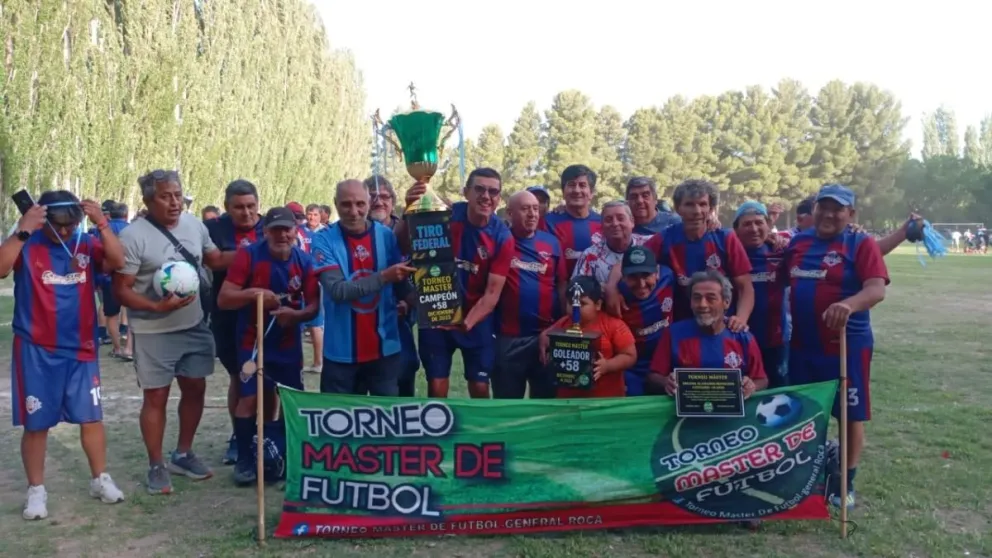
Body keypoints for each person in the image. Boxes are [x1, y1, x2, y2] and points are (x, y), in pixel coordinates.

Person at [2, 191, 127, 520]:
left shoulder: (86, 243)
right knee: (36, 423)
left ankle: (100, 479)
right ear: (43, 218)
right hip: (36, 349)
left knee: (91, 417)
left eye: (72, 224)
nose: (66, 230)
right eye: (59, 225)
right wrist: (23, 229)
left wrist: (102, 222)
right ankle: (36, 490)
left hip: (81, 347)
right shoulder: (27, 242)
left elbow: (118, 261)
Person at [114, 169, 224, 495]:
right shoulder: (133, 236)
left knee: (195, 387)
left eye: (178, 195)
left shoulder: (194, 225)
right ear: (149, 200)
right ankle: (156, 464)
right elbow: (121, 289)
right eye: (166, 196)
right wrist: (156, 307)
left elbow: (216, 260)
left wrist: (261, 250)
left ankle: (183, 454)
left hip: (194, 324)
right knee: (156, 396)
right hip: (153, 331)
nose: (175, 202)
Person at [783, 183, 888, 510]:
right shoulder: (798, 242)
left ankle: (845, 482)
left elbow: (876, 289)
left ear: (851, 213)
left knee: (849, 414)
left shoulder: (861, 243)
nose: (829, 214)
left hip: (846, 345)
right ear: (813, 209)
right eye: (823, 207)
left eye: (837, 209)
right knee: (804, 412)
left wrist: (849, 304)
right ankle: (806, 475)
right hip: (802, 345)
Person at [218, 207, 320, 485]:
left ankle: (285, 453)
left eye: (287, 229)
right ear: (265, 232)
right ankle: (245, 459)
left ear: (295, 231)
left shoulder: (305, 261)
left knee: (291, 399)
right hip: (252, 342)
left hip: (287, 344)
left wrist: (295, 315)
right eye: (276, 230)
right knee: (249, 398)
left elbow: (313, 306)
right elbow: (224, 298)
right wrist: (254, 294)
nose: (282, 235)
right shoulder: (249, 255)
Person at [400, 168, 514, 399]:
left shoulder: (502, 237)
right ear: (466, 192)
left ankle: (479, 424)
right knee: (436, 383)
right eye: (479, 189)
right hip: (437, 310)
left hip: (476, 318)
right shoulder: (445, 214)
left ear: (499, 198)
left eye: (493, 192)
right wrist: (409, 208)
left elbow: (492, 294)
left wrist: (466, 322)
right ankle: (439, 423)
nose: (486, 196)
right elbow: (403, 245)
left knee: (480, 386)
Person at [312, 180, 414, 395]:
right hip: (341, 353)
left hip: (384, 350)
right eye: (346, 204)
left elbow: (401, 283)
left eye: (360, 204)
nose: (354, 211)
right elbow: (338, 291)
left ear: (368, 202)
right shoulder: (323, 240)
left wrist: (420, 297)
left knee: (385, 415)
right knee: (341, 416)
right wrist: (383, 277)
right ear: (335, 204)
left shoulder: (385, 236)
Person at [609, 179, 753, 330]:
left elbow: (745, 287)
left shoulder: (726, 238)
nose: (696, 211)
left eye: (702, 204)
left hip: (720, 327)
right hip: (680, 328)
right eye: (689, 204)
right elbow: (628, 261)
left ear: (710, 208)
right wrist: (611, 288)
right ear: (678, 208)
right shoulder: (665, 238)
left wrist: (741, 318)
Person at [204, 180, 263, 466]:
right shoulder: (214, 229)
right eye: (239, 207)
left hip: (266, 314)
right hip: (227, 315)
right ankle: (239, 437)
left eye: (251, 206)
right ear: (227, 207)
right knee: (240, 377)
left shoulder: (269, 226)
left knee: (270, 381)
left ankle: (267, 435)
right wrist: (257, 253)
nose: (246, 212)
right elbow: (212, 261)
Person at [645, 270, 768, 397]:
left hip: (729, 409)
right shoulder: (674, 334)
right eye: (697, 298)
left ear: (726, 302)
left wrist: (752, 386)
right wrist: (665, 382)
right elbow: (653, 376)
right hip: (687, 409)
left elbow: (762, 380)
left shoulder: (743, 337)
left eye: (711, 298)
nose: (702, 305)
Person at [493, 191, 567, 399]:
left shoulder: (552, 243)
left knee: (545, 404)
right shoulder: (500, 241)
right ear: (509, 213)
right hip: (508, 338)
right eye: (525, 209)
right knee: (507, 404)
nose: (532, 214)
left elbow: (562, 286)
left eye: (535, 208)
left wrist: (560, 326)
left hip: (544, 337)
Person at [364, 175, 420, 396]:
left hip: (400, 318)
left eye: (385, 197)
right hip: (365, 316)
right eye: (372, 196)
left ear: (393, 201)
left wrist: (409, 303)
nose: (379, 201)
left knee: (404, 371)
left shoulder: (406, 227)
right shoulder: (357, 232)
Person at [538, 276, 636, 399]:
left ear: (598, 304)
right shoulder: (563, 323)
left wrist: (607, 365)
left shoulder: (613, 325)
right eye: (571, 303)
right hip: (568, 400)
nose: (575, 308)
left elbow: (630, 355)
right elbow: (547, 338)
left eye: (582, 303)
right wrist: (546, 344)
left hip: (606, 400)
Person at [733, 201, 788, 387]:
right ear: (736, 229)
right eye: (747, 224)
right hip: (738, 339)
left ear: (768, 225)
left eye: (759, 222)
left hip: (775, 339)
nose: (754, 229)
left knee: (777, 391)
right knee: (742, 390)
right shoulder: (727, 253)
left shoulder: (781, 251)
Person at [617, 246, 675, 396]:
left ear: (657, 272)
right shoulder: (615, 297)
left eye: (646, 275)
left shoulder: (668, 278)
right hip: (633, 370)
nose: (641, 284)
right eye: (633, 277)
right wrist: (611, 289)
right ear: (623, 277)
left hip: (667, 365)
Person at [572, 201, 650, 287]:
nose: (615, 224)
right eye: (608, 220)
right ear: (602, 225)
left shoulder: (649, 244)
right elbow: (576, 289)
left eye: (620, 218)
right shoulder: (590, 256)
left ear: (632, 222)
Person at [544, 165, 602, 276]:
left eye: (582, 185)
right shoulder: (548, 223)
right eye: (571, 185)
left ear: (591, 193)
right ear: (563, 191)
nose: (576, 190)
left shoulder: (604, 224)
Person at [102, 203, 132, 360]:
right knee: (132, 313)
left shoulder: (103, 230)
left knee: (112, 315)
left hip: (109, 278)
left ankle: (117, 348)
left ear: (110, 214)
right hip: (129, 276)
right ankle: (129, 348)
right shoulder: (132, 229)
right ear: (125, 215)